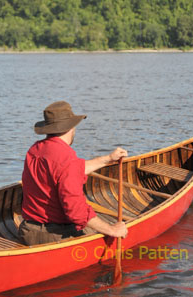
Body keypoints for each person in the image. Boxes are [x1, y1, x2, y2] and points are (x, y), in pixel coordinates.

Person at [19, 101, 128, 245]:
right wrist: (111, 230)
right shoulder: (67, 159)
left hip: (27, 231)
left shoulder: (35, 150)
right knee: (102, 229)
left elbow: (67, 170)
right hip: (55, 236)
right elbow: (76, 213)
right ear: (71, 127)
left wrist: (108, 159)